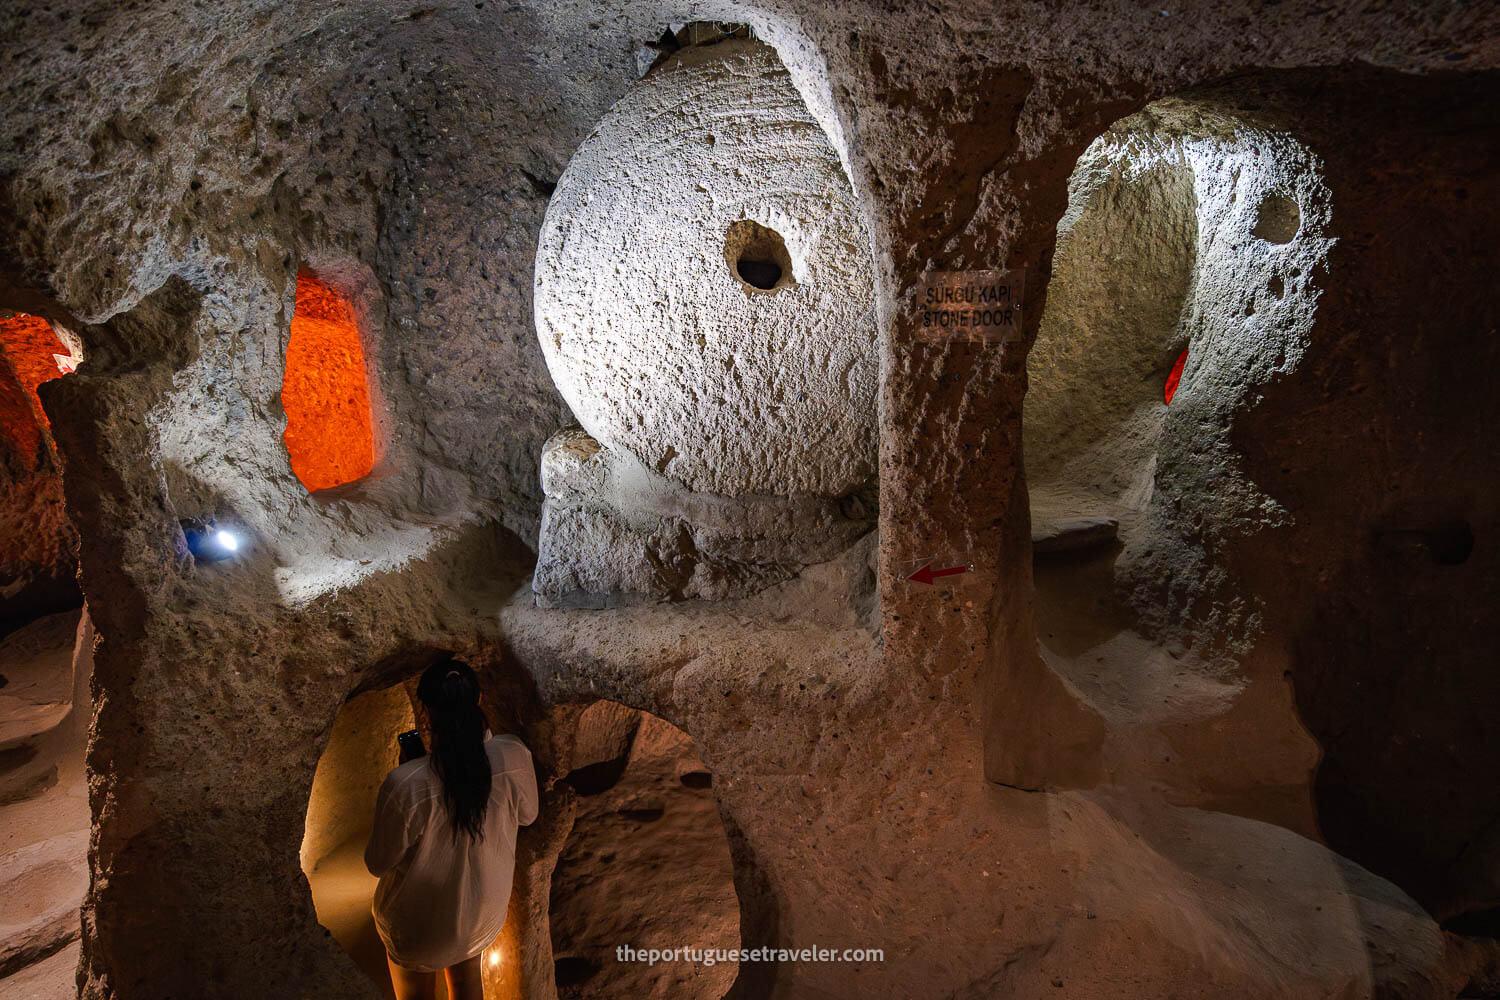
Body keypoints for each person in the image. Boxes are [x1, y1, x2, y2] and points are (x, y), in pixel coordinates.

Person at [365, 659, 540, 1000]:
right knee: (466, 985)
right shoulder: (513, 754)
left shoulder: (406, 784)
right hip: (482, 915)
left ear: (426, 713)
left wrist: (408, 775)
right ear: (479, 699)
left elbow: (377, 863)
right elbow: (529, 816)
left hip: (419, 930)